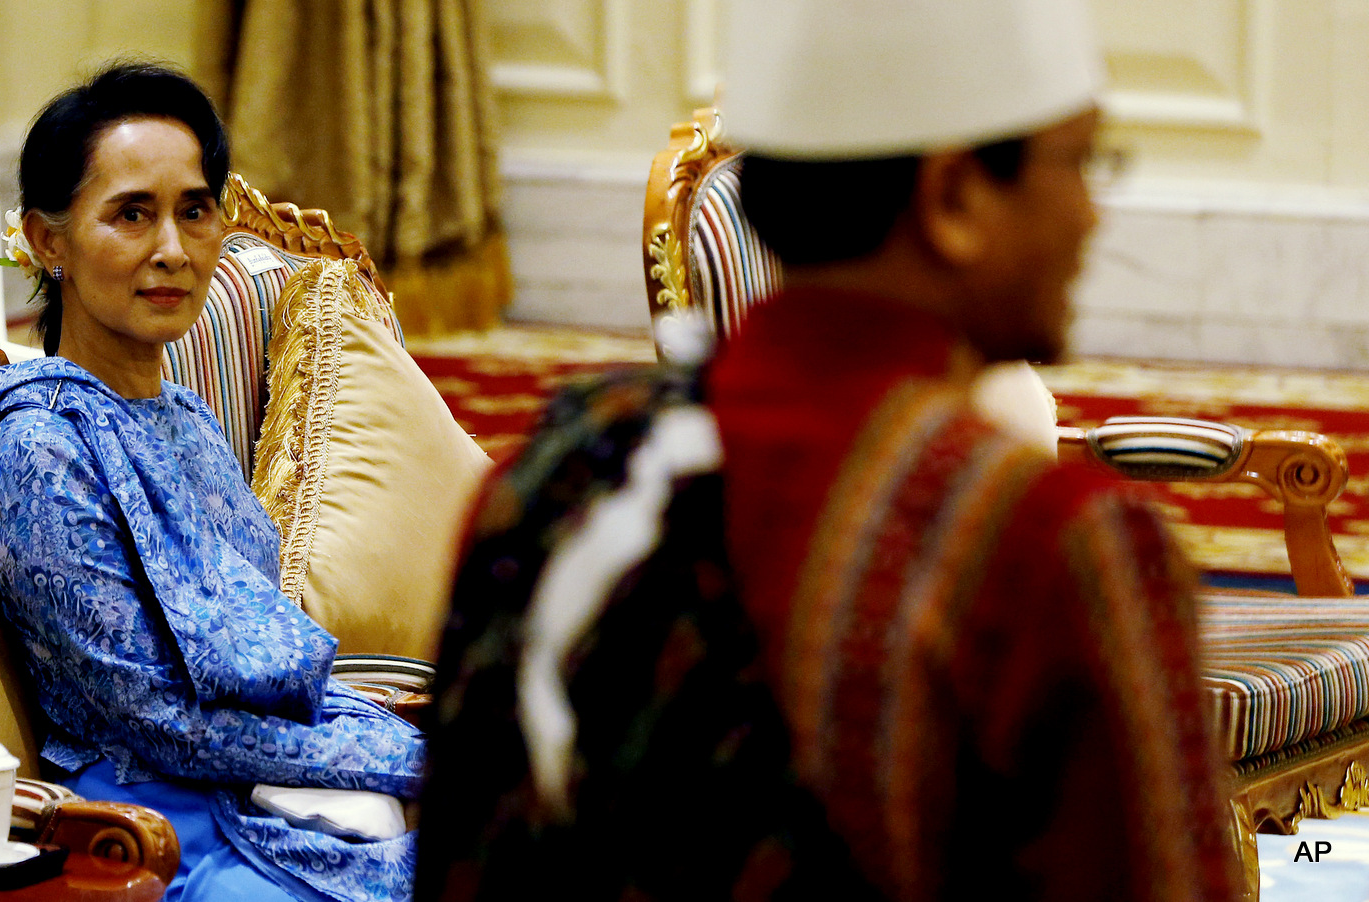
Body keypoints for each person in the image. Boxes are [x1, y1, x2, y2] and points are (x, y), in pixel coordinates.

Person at [415, 2, 1243, 900]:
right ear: (955, 198)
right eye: (1080, 163)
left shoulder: (547, 478)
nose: (1091, 214)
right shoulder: (1049, 553)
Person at [0, 63, 422, 902]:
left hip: (266, 771)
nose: (172, 250)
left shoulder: (188, 416)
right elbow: (156, 721)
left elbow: (262, 645)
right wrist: (401, 759)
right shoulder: (41, 445)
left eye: (194, 211)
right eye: (131, 214)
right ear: (47, 239)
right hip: (155, 819)